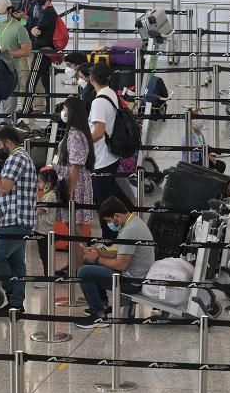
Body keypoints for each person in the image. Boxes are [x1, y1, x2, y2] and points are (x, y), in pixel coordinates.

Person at [0, 126, 38, 311]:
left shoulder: (16, 158)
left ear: (9, 143)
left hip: (14, 219)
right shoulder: (22, 157)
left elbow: (4, 187)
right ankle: (16, 304)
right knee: (17, 263)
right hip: (20, 219)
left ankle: (11, 290)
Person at [76, 196, 154, 329]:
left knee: (83, 272)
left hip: (132, 282)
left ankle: (98, 315)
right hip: (133, 274)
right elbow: (120, 253)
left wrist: (97, 259)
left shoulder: (129, 230)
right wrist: (98, 252)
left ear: (117, 215)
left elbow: (121, 264)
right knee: (87, 261)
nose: (109, 224)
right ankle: (102, 304)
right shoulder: (133, 221)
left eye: (109, 220)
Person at [88, 62, 134, 239]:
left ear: (92, 79)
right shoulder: (111, 93)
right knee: (114, 197)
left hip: (101, 159)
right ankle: (130, 222)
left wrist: (82, 143)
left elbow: (99, 132)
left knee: (104, 206)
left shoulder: (99, 101)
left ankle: (110, 240)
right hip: (111, 156)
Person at [54, 97, 95, 271]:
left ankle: (78, 266)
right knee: (73, 227)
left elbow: (76, 165)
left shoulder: (75, 134)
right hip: (73, 182)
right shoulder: (77, 132)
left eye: (65, 109)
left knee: (75, 228)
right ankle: (76, 264)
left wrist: (69, 192)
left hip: (74, 184)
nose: (63, 112)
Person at [0, 0, 32, 122]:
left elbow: (26, 51)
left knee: (9, 109)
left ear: (9, 11)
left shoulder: (19, 28)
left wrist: (7, 54)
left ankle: (8, 133)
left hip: (9, 73)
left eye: (1, 13)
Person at [23, 0, 58, 114]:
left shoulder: (48, 12)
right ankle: (50, 109)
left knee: (31, 79)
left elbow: (37, 30)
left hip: (42, 50)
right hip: (46, 50)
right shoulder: (46, 11)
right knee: (46, 80)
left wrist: (30, 29)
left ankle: (26, 109)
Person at [182, 107, 227, 173]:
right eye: (197, 117)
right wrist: (207, 156)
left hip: (202, 160)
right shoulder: (187, 136)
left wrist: (209, 155)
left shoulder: (200, 134)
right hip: (193, 162)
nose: (199, 120)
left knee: (221, 165)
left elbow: (203, 148)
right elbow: (193, 151)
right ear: (190, 121)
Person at [35, 168, 59, 276]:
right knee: (43, 254)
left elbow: (40, 210)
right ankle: (48, 274)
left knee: (45, 255)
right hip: (40, 229)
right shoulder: (46, 195)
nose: (38, 184)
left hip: (44, 230)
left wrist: (37, 198)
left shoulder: (50, 196)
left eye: (39, 182)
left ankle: (48, 275)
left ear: (47, 184)